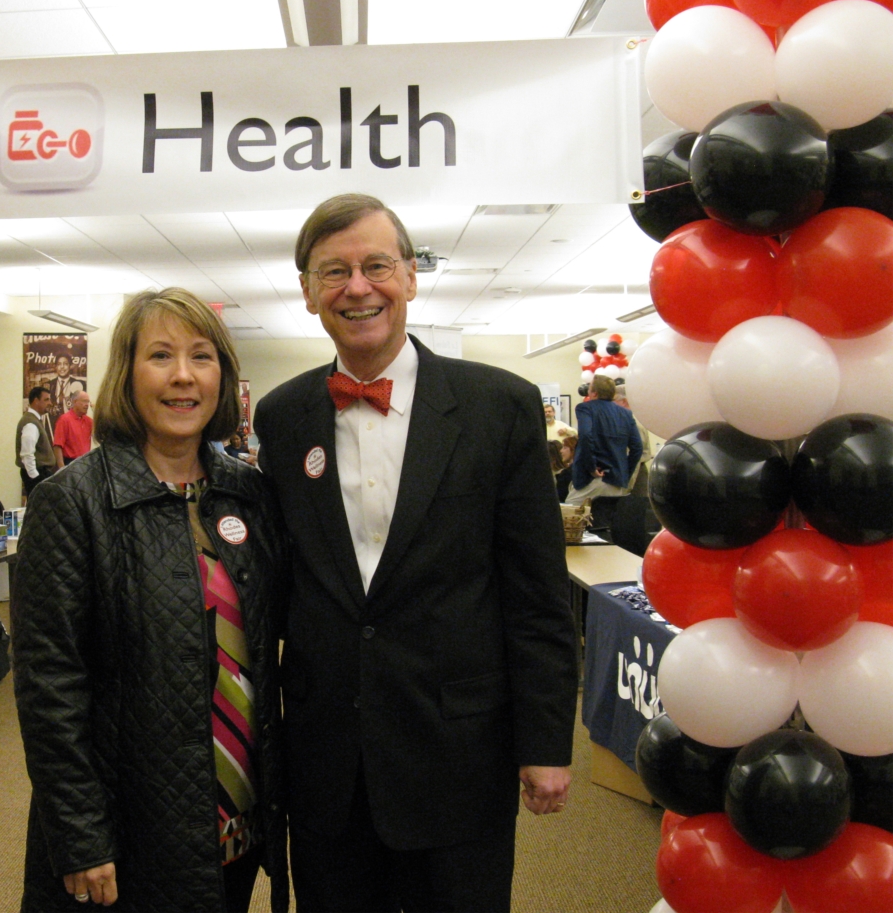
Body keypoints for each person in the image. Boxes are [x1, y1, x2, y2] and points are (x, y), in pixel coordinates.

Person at [254, 194, 578, 913]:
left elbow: (536, 595)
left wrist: (546, 740)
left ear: (409, 275)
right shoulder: (280, 418)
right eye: (333, 271)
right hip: (328, 758)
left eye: (376, 265)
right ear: (307, 293)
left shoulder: (499, 405)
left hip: (458, 753)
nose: (357, 287)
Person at [11, 288, 289, 912]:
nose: (183, 376)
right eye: (160, 356)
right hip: (133, 828)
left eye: (201, 357)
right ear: (127, 375)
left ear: (223, 374)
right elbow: (49, 688)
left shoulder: (249, 495)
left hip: (236, 813)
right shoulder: (73, 503)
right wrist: (80, 836)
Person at [566, 375, 644, 507]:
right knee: (606, 521)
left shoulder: (585, 408)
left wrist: (591, 466)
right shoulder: (625, 414)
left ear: (594, 393)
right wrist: (624, 473)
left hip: (593, 477)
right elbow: (637, 447)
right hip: (617, 480)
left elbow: (585, 435)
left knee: (570, 515)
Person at [17, 385, 57, 501]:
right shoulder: (30, 423)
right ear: (35, 401)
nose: (50, 403)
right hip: (37, 474)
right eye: (46, 399)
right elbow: (27, 454)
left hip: (40, 473)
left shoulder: (33, 420)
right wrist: (35, 477)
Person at [54, 391, 93, 467]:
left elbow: (102, 435)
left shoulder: (89, 421)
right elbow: (57, 446)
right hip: (70, 463)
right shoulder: (64, 420)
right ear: (75, 402)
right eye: (84, 401)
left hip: (85, 463)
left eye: (88, 402)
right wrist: (62, 468)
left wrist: (96, 411)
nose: (87, 405)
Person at [49, 349, 87, 423]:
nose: (62, 367)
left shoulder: (80, 385)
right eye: (59, 364)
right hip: (53, 427)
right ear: (55, 367)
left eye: (65, 364)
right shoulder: (49, 385)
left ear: (70, 366)